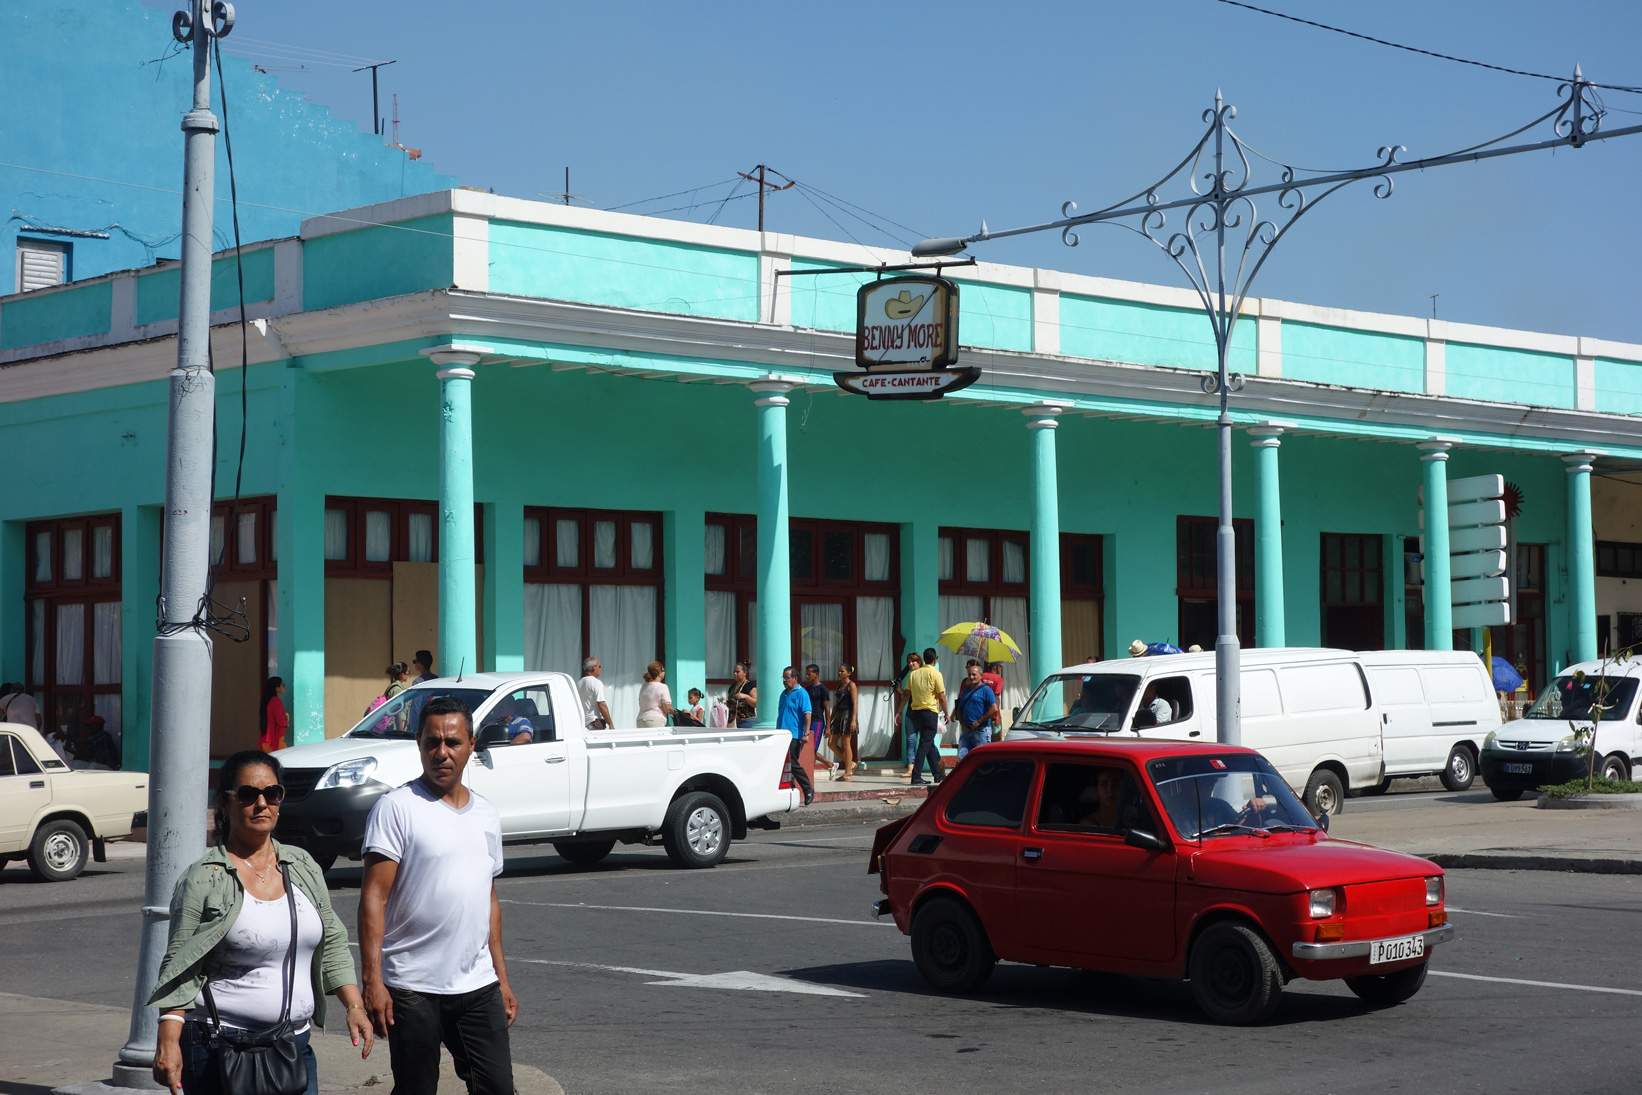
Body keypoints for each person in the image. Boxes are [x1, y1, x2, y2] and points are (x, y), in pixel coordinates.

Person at [149, 750, 372, 1095]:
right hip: (219, 1046)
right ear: (225, 804)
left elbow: (332, 942)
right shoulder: (203, 878)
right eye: (247, 794)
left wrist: (354, 1005)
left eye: (272, 793)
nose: (262, 803)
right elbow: (180, 965)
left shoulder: (302, 865)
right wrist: (168, 1040)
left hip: (292, 1044)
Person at [359, 696, 518, 1095]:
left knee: (497, 1087)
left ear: (472, 745)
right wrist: (373, 980)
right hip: (412, 987)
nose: (441, 753)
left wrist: (501, 978)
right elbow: (374, 898)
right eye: (432, 742)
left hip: (477, 985)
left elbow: (488, 899)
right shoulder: (396, 808)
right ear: (419, 744)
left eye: (453, 742)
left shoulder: (486, 814)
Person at [904, 651, 947, 785]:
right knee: (924, 744)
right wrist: (947, 713)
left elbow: (907, 693)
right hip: (929, 712)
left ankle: (937, 775)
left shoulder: (913, 674)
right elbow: (941, 696)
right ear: (935, 659)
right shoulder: (936, 674)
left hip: (916, 712)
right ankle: (916, 776)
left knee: (928, 743)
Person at [776, 666, 814, 806]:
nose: (784, 680)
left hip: (795, 735)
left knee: (792, 763)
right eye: (783, 678)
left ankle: (808, 789)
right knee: (785, 765)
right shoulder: (783, 694)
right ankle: (790, 792)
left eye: (787, 677)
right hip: (782, 734)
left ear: (795, 678)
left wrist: (806, 733)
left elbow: (807, 714)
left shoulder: (801, 693)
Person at [951, 661, 1000, 761]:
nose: (971, 677)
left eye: (974, 674)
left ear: (981, 676)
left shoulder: (986, 690)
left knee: (982, 759)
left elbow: (994, 708)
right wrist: (963, 725)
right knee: (962, 757)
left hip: (982, 731)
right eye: (969, 674)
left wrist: (979, 721)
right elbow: (959, 709)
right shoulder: (966, 690)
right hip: (967, 731)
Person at [828, 664, 859, 782]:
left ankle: (847, 773)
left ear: (849, 673)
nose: (840, 673)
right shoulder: (839, 686)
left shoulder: (852, 685)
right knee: (831, 743)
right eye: (839, 671)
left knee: (846, 744)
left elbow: (855, 703)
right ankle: (850, 764)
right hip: (839, 716)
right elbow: (836, 705)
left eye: (842, 671)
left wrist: (853, 720)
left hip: (848, 715)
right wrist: (830, 721)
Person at [893, 652, 920, 779]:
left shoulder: (924, 674)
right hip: (911, 711)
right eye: (909, 662)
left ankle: (938, 765)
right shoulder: (911, 676)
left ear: (919, 662)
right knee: (910, 740)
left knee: (927, 742)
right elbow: (907, 695)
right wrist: (899, 712)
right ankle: (911, 769)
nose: (910, 664)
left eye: (913, 661)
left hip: (923, 712)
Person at [802, 664, 832, 773]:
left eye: (809, 674)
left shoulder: (822, 689)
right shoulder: (807, 689)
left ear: (816, 674)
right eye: (806, 674)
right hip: (807, 722)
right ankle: (830, 764)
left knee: (812, 749)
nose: (807, 676)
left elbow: (827, 708)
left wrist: (828, 727)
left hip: (817, 721)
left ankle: (827, 765)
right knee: (807, 748)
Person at [579, 657, 612, 730]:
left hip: (582, 724)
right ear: (594, 668)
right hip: (594, 722)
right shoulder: (596, 683)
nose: (600, 669)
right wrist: (610, 724)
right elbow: (602, 705)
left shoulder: (579, 683)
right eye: (599, 666)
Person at [637, 662, 674, 728]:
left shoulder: (644, 686)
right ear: (659, 673)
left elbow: (640, 703)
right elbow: (667, 709)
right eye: (663, 670)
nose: (664, 672)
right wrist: (678, 713)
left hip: (641, 720)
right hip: (655, 719)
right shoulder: (662, 687)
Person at [261, 677, 289, 753]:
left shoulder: (269, 700)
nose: (285, 687)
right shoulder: (276, 700)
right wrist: (286, 723)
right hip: (275, 741)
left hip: (267, 740)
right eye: (283, 685)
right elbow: (279, 721)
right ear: (277, 688)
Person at [727, 661, 757, 729]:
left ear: (745, 673)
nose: (735, 674)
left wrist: (746, 696)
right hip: (733, 722)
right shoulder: (732, 687)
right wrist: (726, 702)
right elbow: (732, 704)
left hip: (746, 722)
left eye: (738, 672)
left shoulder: (749, 686)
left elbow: (755, 703)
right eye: (734, 672)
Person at [981, 662, 1007, 739]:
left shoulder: (981, 676)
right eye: (1000, 667)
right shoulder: (998, 679)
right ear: (997, 667)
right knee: (995, 740)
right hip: (992, 714)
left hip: (981, 713)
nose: (1000, 669)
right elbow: (996, 698)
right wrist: (997, 717)